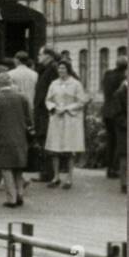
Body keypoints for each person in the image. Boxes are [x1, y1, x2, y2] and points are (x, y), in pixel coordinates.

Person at [0, 71, 33, 208]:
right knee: (18, 168)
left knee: (6, 168)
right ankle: (19, 194)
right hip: (20, 137)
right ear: (11, 83)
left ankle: (11, 198)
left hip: (3, 138)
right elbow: (29, 118)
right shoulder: (22, 98)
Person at [44, 60, 87, 190]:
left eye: (63, 68)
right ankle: (56, 177)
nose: (61, 71)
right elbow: (48, 99)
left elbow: (81, 101)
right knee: (55, 149)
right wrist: (53, 107)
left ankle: (69, 178)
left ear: (68, 69)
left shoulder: (76, 84)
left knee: (70, 149)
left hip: (70, 119)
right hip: (57, 118)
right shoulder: (54, 83)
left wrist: (67, 108)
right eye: (59, 69)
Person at [32, 47, 60, 181]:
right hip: (42, 110)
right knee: (43, 140)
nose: (38, 57)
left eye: (40, 54)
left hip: (46, 111)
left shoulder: (52, 69)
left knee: (46, 140)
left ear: (48, 56)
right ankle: (46, 172)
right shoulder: (45, 69)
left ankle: (48, 173)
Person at [101, 56, 128, 178]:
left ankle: (109, 168)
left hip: (106, 111)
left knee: (110, 141)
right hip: (117, 112)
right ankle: (115, 168)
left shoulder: (107, 75)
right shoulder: (122, 77)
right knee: (119, 141)